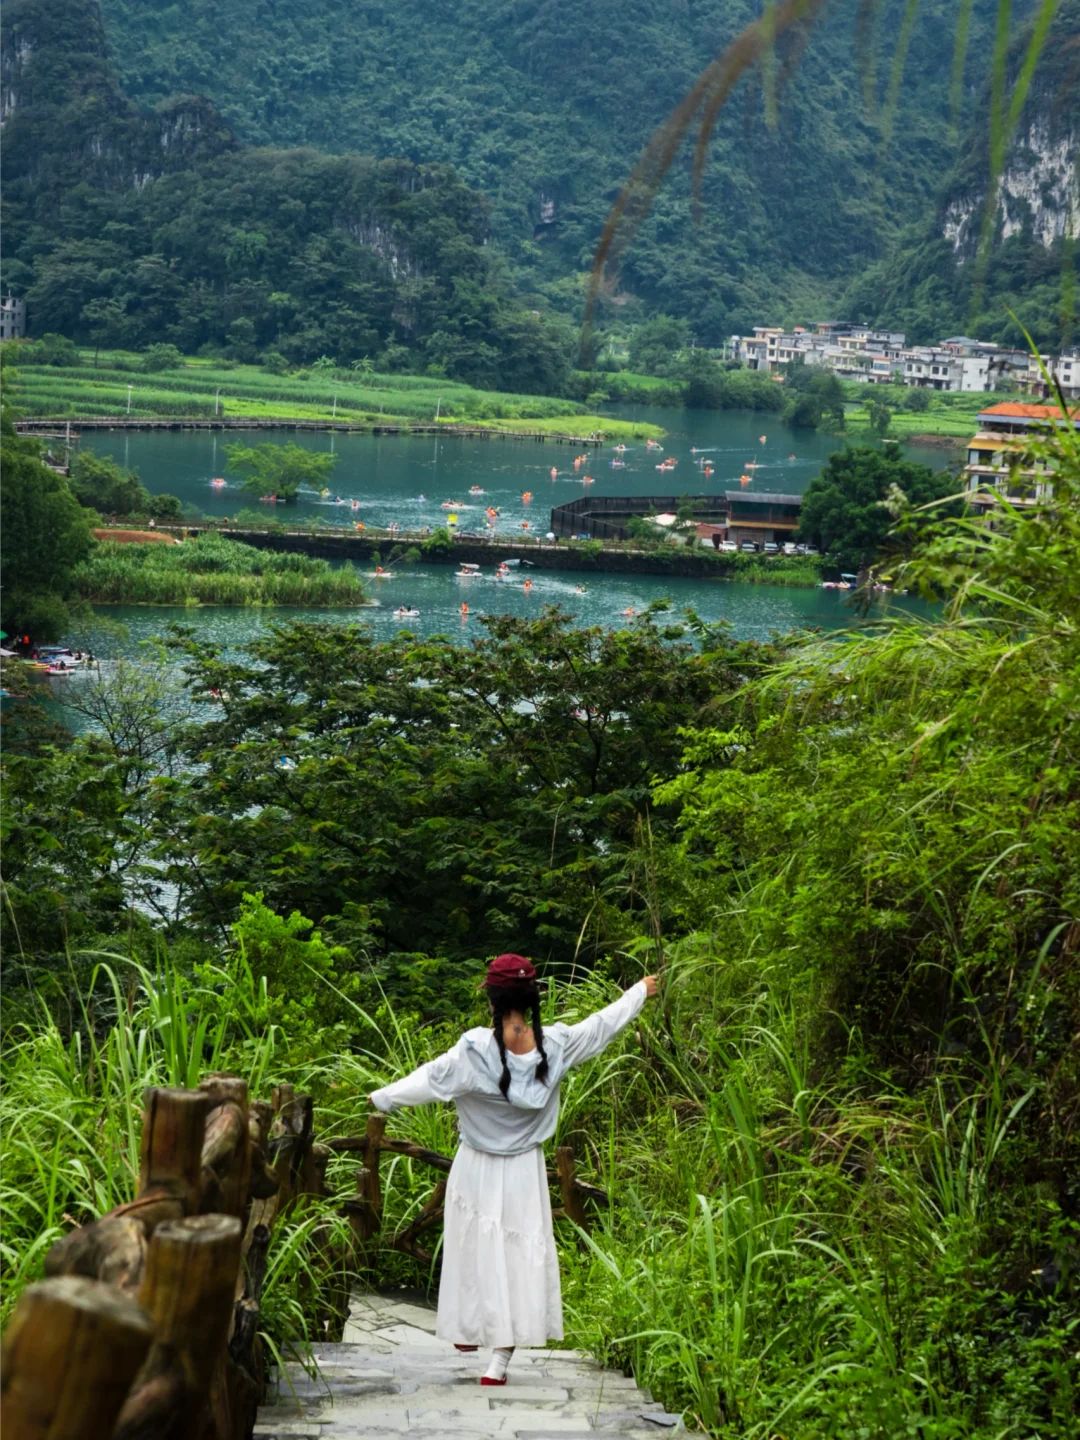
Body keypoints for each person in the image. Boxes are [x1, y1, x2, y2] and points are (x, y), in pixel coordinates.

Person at [369, 956, 659, 1385]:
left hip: (476, 1167)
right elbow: (601, 1026)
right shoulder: (556, 1045)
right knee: (516, 1259)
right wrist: (639, 992)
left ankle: (472, 1328)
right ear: (531, 997)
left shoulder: (473, 1051)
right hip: (525, 1170)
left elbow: (429, 1080)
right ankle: (496, 1359)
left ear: (492, 999)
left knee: (473, 1249)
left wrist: (384, 1097)